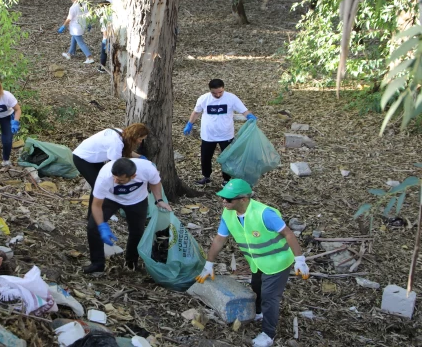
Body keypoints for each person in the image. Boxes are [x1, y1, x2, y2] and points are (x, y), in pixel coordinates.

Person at [195, 179, 310, 347]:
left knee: (270, 297)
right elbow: (220, 239)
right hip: (257, 262)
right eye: (223, 198)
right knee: (257, 287)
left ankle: (268, 334)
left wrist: (300, 260)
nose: (223, 201)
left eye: (228, 199)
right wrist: (209, 264)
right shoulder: (228, 214)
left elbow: (288, 234)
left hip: (277, 262)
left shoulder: (265, 213)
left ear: (243, 199)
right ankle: (258, 313)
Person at [85, 158, 171, 274]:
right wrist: (101, 225)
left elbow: (155, 182)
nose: (115, 181)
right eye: (114, 177)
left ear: (133, 176)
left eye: (120, 180)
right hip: (111, 199)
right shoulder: (105, 176)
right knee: (93, 227)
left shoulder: (148, 169)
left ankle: (131, 263)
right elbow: (96, 205)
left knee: (137, 231)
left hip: (137, 200)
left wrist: (159, 200)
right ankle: (97, 264)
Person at [183, 79, 256, 186]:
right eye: (214, 93)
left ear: (223, 88)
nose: (217, 95)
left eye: (220, 92)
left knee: (227, 158)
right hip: (208, 135)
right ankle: (206, 177)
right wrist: (189, 124)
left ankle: (226, 179)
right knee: (205, 157)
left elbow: (243, 110)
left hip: (226, 134)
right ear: (210, 90)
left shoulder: (231, 98)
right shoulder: (204, 99)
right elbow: (196, 112)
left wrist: (249, 116)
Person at [72, 123, 149, 218]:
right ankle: (93, 215)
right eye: (140, 139)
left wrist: (140, 157)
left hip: (94, 158)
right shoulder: (116, 143)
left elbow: (125, 151)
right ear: (134, 136)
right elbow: (116, 166)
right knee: (98, 185)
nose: (140, 142)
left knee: (104, 184)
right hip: (83, 158)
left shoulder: (121, 133)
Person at [58, 0, 95, 64]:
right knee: (74, 39)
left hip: (76, 28)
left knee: (81, 43)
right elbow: (87, 15)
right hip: (81, 26)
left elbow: (69, 18)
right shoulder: (84, 4)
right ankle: (70, 54)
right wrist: (88, 24)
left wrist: (63, 26)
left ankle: (89, 57)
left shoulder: (73, 8)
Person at [97, 0, 113, 73]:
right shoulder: (113, 15)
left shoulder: (104, 18)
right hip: (112, 37)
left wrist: (106, 38)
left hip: (107, 38)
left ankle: (102, 67)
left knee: (104, 53)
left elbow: (105, 31)